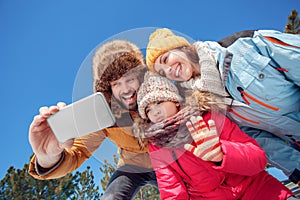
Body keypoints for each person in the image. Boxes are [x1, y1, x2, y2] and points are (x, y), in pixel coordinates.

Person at [145, 28, 300, 185]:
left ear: (181, 48)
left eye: (165, 60)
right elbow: (260, 139)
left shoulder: (245, 47)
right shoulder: (206, 105)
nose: (168, 71)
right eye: (162, 73)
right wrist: (296, 168)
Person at [28, 40, 157, 200]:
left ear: (140, 78)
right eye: (116, 83)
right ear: (108, 88)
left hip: (169, 162)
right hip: (132, 167)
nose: (125, 90)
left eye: (129, 80)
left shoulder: (160, 99)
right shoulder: (105, 117)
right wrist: (47, 157)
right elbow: (78, 152)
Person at [134, 72, 295, 199]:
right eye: (147, 110)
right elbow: (172, 191)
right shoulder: (157, 147)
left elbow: (258, 159)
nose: (155, 111)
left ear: (175, 100)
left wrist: (222, 153)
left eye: (158, 102)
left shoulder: (209, 118)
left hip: (258, 191)